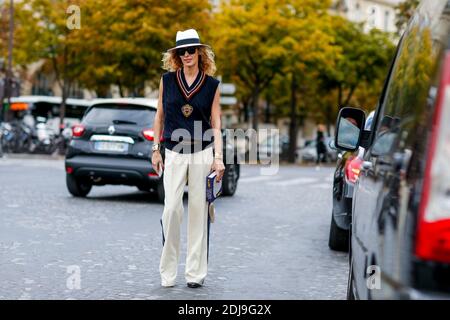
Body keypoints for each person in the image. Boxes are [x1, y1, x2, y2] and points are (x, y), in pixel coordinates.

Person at [151, 29, 225, 289]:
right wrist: (155, 149)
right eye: (181, 51)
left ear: (200, 52)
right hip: (173, 151)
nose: (186, 55)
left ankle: (194, 274)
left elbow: (216, 122)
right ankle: (168, 272)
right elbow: (159, 115)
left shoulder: (212, 85)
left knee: (198, 212)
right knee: (171, 210)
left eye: (191, 50)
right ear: (176, 55)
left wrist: (218, 158)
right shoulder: (167, 81)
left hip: (203, 152)